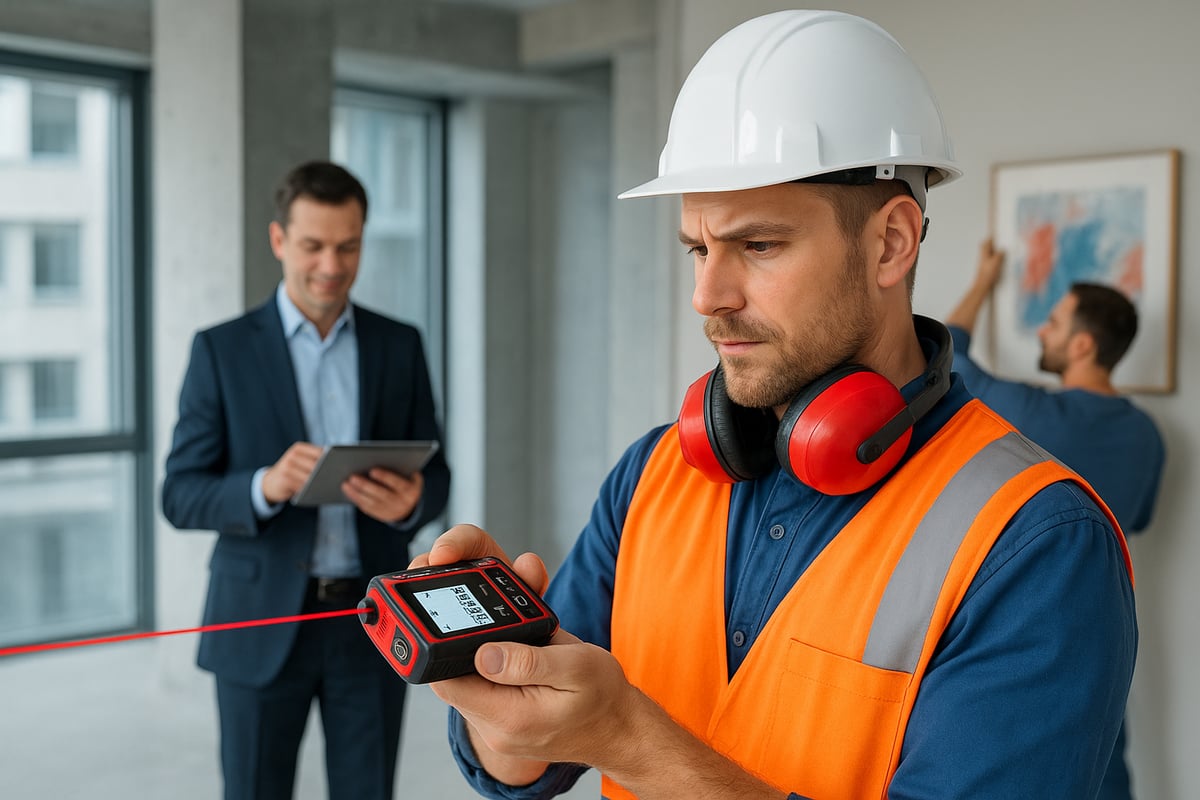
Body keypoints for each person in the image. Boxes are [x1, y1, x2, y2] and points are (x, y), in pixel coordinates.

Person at [417, 10, 1135, 800]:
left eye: (758, 246)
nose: (706, 297)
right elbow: (532, 757)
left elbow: (612, 733)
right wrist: (496, 704)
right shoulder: (652, 476)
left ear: (892, 243)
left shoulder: (1037, 543)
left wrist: (628, 738)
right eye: (698, 247)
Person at [161, 160, 450, 800]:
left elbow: (436, 474)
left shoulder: (399, 345)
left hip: (373, 618)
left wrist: (413, 503)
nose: (331, 264)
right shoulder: (222, 350)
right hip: (257, 621)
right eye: (314, 246)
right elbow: (178, 493)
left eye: (347, 247)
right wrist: (263, 485)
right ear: (278, 241)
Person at [947, 237, 1165, 800]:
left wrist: (983, 283)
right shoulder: (1147, 435)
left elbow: (947, 349)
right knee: (1103, 767)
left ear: (1084, 344)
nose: (1043, 330)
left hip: (1021, 627)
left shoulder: (1027, 414)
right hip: (1114, 629)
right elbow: (1134, 520)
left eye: (1056, 322)